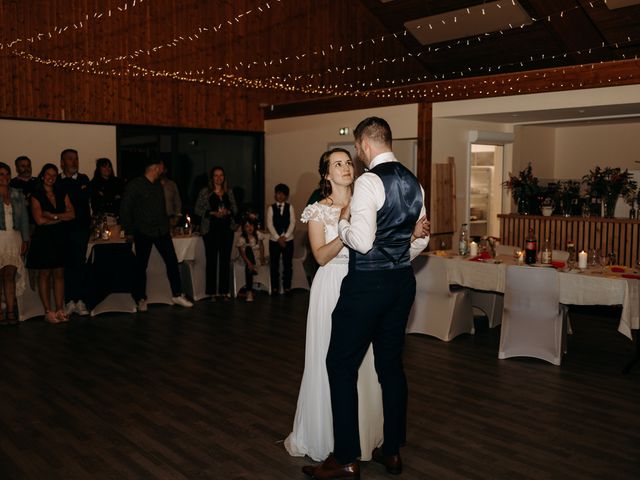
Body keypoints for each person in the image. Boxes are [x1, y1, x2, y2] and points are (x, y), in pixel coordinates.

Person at [303, 117, 429, 479]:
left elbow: (361, 241)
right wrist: (400, 252)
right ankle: (391, 452)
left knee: (340, 364)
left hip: (366, 287)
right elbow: (420, 241)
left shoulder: (370, 181)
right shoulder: (413, 182)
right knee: (390, 367)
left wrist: (342, 224)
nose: (354, 158)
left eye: (355, 151)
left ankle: (345, 457)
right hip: (402, 283)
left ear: (364, 144)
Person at [285, 148, 387, 462]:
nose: (345, 167)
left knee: (365, 362)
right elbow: (320, 256)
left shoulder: (367, 205)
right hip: (331, 288)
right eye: (337, 164)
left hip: (363, 285)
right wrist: (346, 228)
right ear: (327, 175)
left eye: (348, 162)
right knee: (328, 360)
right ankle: (325, 435)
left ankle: (361, 437)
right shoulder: (318, 210)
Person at [119, 156, 193, 311]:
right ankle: (140, 298)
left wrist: (169, 223)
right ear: (154, 167)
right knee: (141, 266)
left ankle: (177, 294)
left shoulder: (158, 185)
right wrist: (129, 231)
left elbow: (161, 209)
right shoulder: (135, 185)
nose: (163, 169)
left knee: (172, 261)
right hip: (143, 230)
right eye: (161, 166)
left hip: (161, 230)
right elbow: (125, 209)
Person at [26, 164, 76, 323]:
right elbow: (39, 221)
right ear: (42, 175)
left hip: (60, 238)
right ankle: (48, 311)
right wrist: (61, 217)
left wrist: (53, 216)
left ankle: (60, 309)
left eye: (54, 175)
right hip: (44, 239)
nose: (51, 177)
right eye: (48, 174)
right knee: (45, 274)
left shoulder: (61, 192)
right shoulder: (36, 195)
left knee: (60, 273)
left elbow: (72, 214)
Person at [194, 166, 238, 301]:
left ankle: (224, 292)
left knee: (225, 261)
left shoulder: (229, 192)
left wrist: (228, 212)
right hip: (210, 230)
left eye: (221, 175)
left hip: (226, 230)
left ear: (224, 177)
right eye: (216, 176)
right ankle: (212, 292)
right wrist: (211, 213)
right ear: (211, 178)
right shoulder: (205, 192)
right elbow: (197, 210)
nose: (219, 178)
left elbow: (235, 208)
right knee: (212, 261)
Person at [58, 148, 91, 316]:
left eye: (76, 159)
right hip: (63, 229)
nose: (74, 162)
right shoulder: (57, 180)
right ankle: (69, 301)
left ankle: (79, 300)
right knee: (67, 265)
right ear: (62, 162)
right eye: (70, 159)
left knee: (80, 263)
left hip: (81, 229)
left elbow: (83, 199)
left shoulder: (84, 178)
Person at [0, 162, 30, 325]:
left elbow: (24, 218)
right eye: (1, 174)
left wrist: (26, 238)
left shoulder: (17, 194)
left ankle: (11, 310)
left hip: (14, 238)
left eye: (7, 174)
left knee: (10, 274)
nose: (5, 177)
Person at [266, 183, 295, 294]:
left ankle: (287, 287)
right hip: (274, 241)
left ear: (286, 196)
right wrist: (278, 238)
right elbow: (269, 224)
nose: (280, 196)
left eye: (283, 194)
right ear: (275, 194)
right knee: (274, 265)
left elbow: (292, 223)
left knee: (288, 265)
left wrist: (285, 236)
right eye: (278, 193)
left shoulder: (290, 207)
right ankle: (275, 287)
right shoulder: (271, 208)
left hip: (288, 240)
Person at [235, 218, 266, 302]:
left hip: (256, 258)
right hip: (245, 259)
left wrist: (262, 258)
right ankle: (249, 291)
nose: (249, 228)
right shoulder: (242, 238)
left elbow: (262, 247)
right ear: (244, 228)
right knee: (248, 248)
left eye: (251, 225)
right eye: (247, 226)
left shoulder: (258, 234)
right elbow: (242, 253)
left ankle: (249, 291)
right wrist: (249, 263)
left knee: (250, 265)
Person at [10, 155, 38, 229]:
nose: (27, 168)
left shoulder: (39, 182)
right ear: (16, 168)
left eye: (28, 165)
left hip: (38, 223)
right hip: (19, 224)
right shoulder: (11, 184)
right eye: (23, 166)